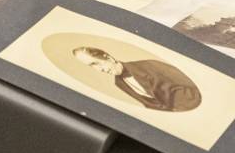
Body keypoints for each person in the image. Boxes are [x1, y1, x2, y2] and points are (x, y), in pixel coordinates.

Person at [72, 46, 202, 112]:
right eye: (92, 67)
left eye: (96, 63)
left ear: (108, 57)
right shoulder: (119, 83)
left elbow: (192, 84)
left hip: (193, 107)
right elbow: (149, 105)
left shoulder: (149, 64)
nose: (99, 70)